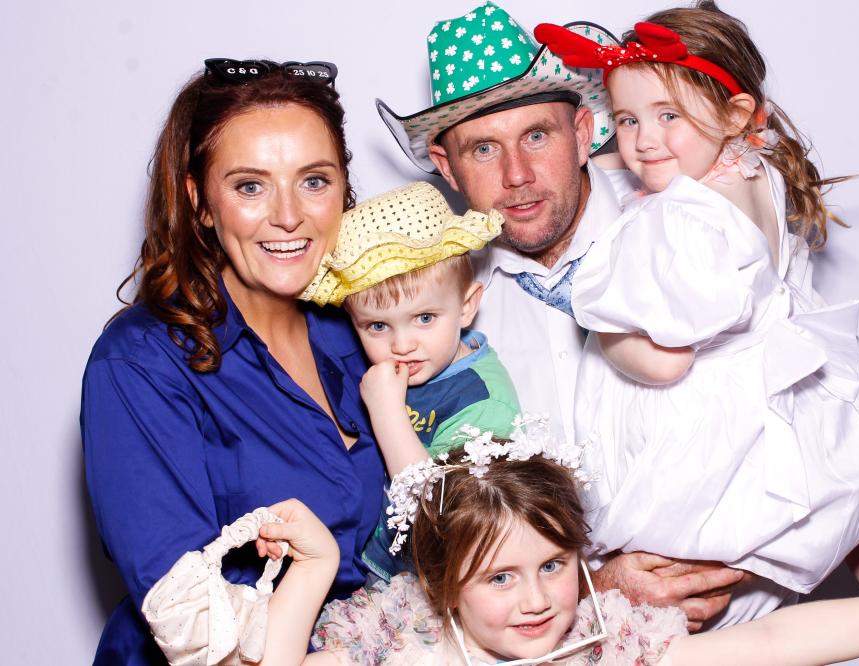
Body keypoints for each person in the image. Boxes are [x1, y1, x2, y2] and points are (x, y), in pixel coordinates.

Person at [530, 1, 859, 625]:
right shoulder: (755, 170)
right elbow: (646, 157)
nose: (643, 141)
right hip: (792, 389)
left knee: (672, 566)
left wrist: (604, 330)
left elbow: (666, 364)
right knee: (848, 502)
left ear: (734, 114)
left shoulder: (686, 220)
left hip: (710, 424)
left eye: (668, 116)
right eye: (627, 119)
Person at [375, 1, 740, 628]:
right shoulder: (437, 315)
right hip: (553, 639)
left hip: (751, 623)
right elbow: (453, 525)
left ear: (583, 131)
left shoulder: (693, 220)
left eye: (537, 136)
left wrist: (743, 561)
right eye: (483, 148)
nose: (517, 175)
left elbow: (804, 416)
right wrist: (594, 591)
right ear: (447, 167)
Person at [243, 419, 859, 665]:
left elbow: (769, 642)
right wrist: (316, 568)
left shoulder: (608, 638)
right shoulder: (396, 633)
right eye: (499, 578)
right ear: (442, 584)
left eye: (553, 565)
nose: (537, 600)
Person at [81, 59, 384, 664]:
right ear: (200, 203)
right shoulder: (140, 365)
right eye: (250, 186)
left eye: (314, 181)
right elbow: (197, 635)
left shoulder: (364, 330)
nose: (288, 215)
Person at [299, 180, 520, 580]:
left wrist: (386, 411)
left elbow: (438, 512)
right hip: (372, 565)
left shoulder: (483, 401)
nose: (402, 345)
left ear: (467, 306)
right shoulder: (390, 365)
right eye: (377, 326)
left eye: (424, 318)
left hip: (433, 583)